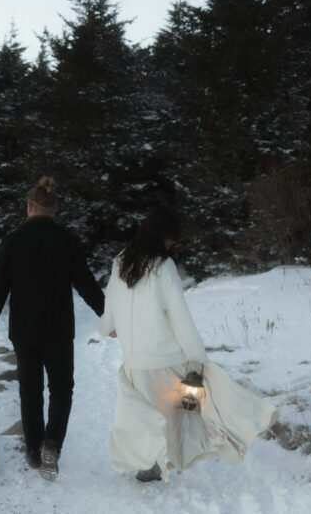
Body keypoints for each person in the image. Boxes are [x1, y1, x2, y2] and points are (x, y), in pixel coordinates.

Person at [97, 206, 278, 483]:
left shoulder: (120, 261)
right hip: (165, 359)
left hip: (134, 361)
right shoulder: (163, 266)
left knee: (145, 415)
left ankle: (150, 463)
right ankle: (224, 433)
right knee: (190, 408)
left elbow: (110, 302)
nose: (173, 244)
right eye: (173, 238)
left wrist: (109, 326)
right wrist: (197, 359)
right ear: (164, 235)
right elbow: (180, 318)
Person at [0, 176, 105, 481]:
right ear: (55, 208)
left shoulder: (13, 240)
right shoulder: (67, 240)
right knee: (62, 388)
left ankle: (34, 450)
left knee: (29, 389)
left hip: (24, 330)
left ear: (29, 207)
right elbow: (86, 284)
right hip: (59, 328)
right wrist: (108, 316)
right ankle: (52, 443)